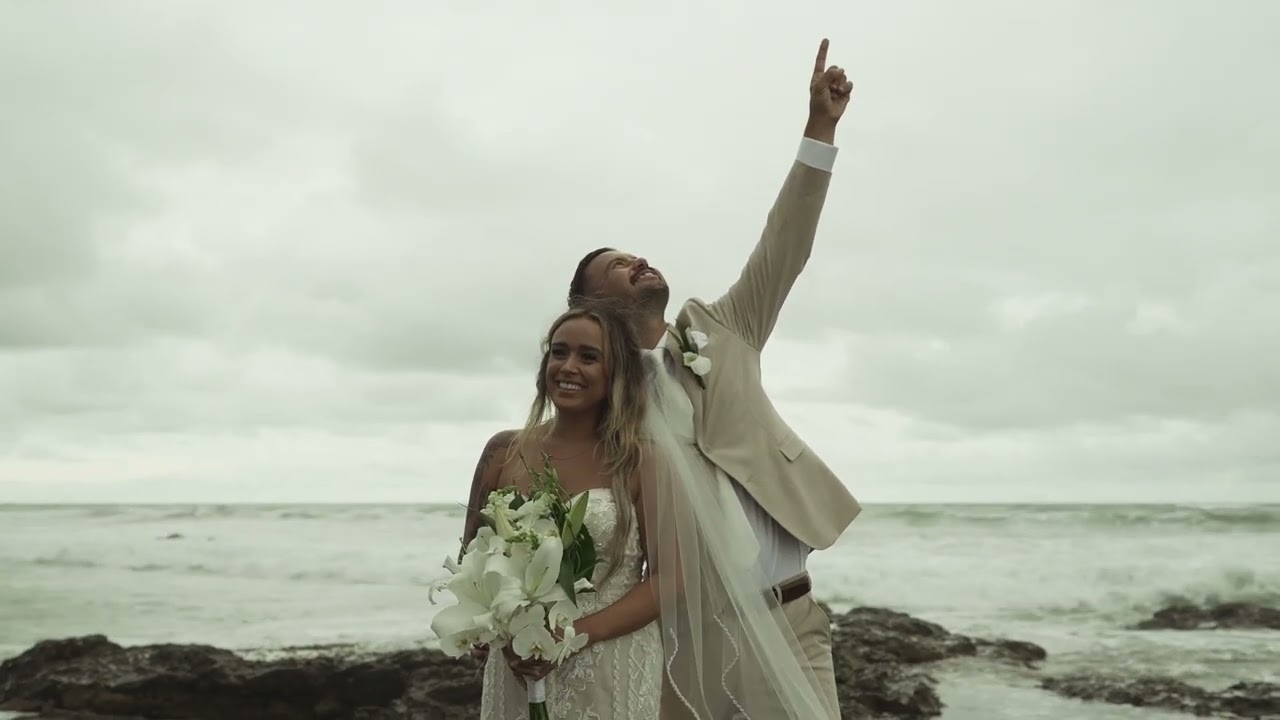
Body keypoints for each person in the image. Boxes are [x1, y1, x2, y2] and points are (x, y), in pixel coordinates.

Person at [559, 38, 861, 718]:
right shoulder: (598, 404)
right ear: (590, 305)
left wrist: (820, 129)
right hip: (682, 640)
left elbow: (786, 240)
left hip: (788, 616)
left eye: (636, 252)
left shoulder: (726, 330)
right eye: (616, 263)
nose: (636, 259)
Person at [460, 301, 665, 720]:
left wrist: (572, 635)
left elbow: (670, 580)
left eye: (589, 357)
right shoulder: (503, 451)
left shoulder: (642, 460)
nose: (568, 366)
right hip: (518, 660)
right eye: (558, 352)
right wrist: (492, 632)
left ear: (617, 373)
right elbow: (472, 562)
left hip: (611, 660)